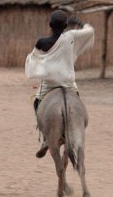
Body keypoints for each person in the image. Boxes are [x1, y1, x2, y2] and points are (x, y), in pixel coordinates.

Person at [25, 10, 94, 158]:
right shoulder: (72, 36)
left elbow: (33, 60)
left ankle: (45, 137)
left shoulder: (41, 42)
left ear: (50, 25)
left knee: (37, 102)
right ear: (65, 26)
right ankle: (75, 130)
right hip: (69, 85)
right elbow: (90, 31)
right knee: (78, 104)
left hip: (48, 85)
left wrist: (45, 69)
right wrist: (79, 23)